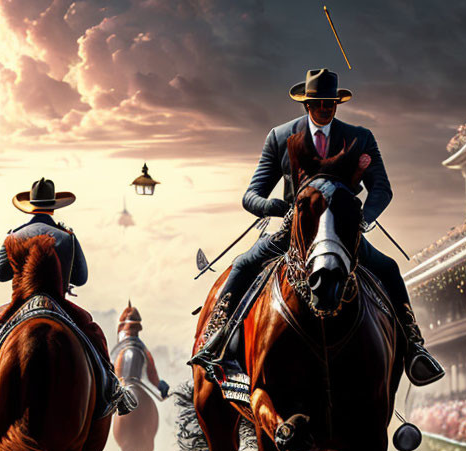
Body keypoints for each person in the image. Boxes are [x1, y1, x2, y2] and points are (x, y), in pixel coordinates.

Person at [190, 68, 444, 386]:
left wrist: (364, 217)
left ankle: (414, 348)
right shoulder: (280, 137)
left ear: (337, 104)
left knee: (388, 268)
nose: (325, 108)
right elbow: (251, 195)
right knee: (243, 264)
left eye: (330, 103)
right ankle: (216, 341)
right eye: (319, 102)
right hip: (294, 230)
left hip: (342, 231)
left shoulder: (360, 137)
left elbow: (382, 189)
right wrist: (272, 207)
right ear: (307, 104)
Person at [0, 178, 136, 423]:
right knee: (93, 333)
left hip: (19, 302)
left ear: (30, 205)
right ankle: (113, 388)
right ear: (54, 206)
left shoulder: (13, 236)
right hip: (58, 303)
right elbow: (81, 277)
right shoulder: (67, 236)